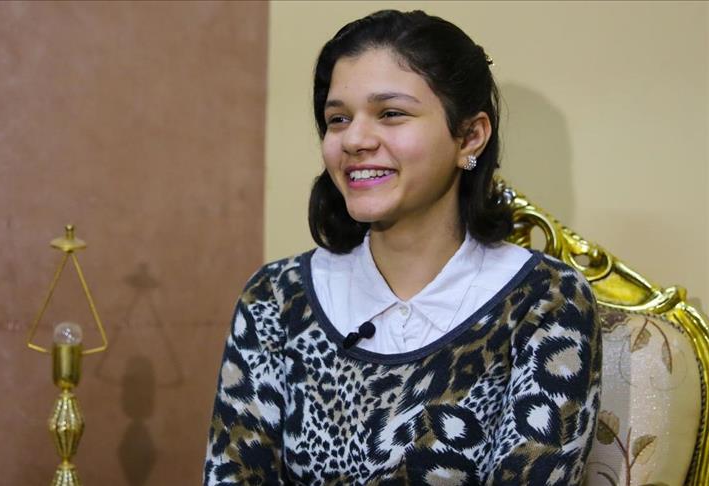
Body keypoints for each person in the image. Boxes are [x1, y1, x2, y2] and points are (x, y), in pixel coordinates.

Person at [204, 9, 601, 485]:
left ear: (469, 136)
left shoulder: (545, 299)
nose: (354, 140)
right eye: (337, 119)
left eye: (391, 114)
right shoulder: (276, 296)